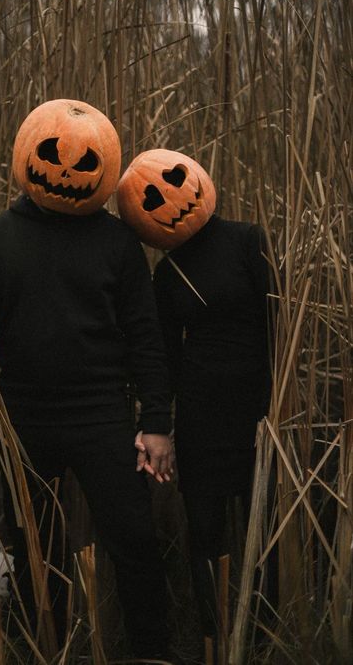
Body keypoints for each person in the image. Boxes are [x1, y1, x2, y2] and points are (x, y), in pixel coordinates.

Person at [0, 100, 173, 660]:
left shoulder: (118, 244)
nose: (67, 171)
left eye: (86, 162)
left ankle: (151, 650)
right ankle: (39, 649)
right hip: (24, 415)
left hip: (103, 413)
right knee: (36, 546)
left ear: (106, 168)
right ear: (29, 155)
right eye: (53, 155)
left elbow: (145, 335)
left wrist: (155, 421)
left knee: (133, 539)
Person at [117, 148, 276, 657]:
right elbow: (160, 355)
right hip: (203, 413)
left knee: (264, 516)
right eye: (151, 198)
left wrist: (277, 402)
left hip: (263, 409)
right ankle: (212, 632)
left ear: (199, 179)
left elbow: (282, 326)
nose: (168, 199)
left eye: (175, 181)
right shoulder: (166, 275)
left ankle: (266, 630)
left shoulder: (248, 241)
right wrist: (158, 421)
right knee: (205, 526)